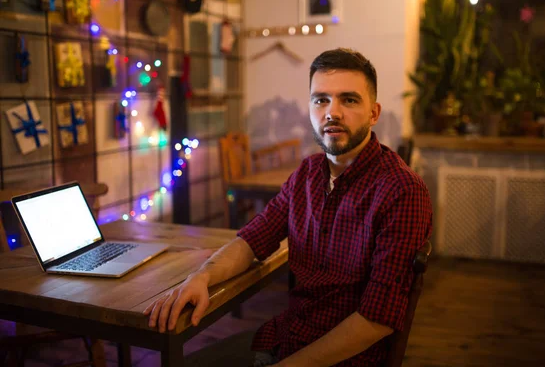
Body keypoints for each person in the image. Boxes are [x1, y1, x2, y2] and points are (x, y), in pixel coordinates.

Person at [144, 48, 433, 366]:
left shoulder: (402, 191)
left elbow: (378, 319)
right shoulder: (307, 174)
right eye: (320, 99)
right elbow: (252, 239)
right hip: (287, 336)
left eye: (348, 100)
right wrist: (201, 277)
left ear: (374, 113)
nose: (331, 112)